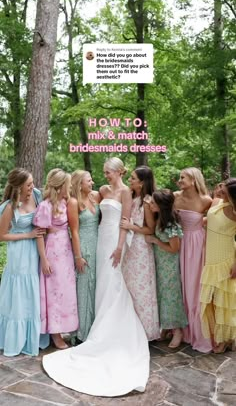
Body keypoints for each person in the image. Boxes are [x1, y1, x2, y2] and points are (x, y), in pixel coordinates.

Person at [42, 157, 150, 397]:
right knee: (99, 283)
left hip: (114, 240)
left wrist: (121, 247)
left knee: (114, 282)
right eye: (103, 172)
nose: (105, 176)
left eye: (108, 172)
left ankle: (111, 327)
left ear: (119, 171)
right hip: (99, 239)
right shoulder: (101, 191)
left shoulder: (125, 192)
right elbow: (84, 211)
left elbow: (125, 222)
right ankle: (92, 325)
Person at [0, 168, 49, 356]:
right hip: (18, 254)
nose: (33, 186)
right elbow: (2, 235)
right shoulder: (9, 206)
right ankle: (15, 339)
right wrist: (27, 234)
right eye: (29, 184)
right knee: (19, 294)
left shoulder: (37, 196)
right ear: (19, 186)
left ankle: (31, 338)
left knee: (32, 292)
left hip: (33, 252)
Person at [33, 168, 79, 349]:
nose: (69, 187)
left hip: (65, 250)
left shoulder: (65, 203)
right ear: (59, 187)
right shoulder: (45, 206)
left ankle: (65, 327)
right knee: (53, 291)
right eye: (67, 185)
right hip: (52, 250)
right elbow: (39, 234)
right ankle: (55, 333)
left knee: (65, 290)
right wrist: (44, 260)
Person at [174, 167, 212, 352]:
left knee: (195, 285)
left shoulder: (206, 200)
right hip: (180, 242)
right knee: (181, 283)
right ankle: (181, 327)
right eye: (180, 177)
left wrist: (199, 222)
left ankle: (198, 329)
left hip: (197, 245)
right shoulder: (176, 197)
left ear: (194, 180)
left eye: (183, 177)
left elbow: (215, 219)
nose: (179, 180)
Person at [121, 166, 160, 340]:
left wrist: (131, 227)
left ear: (142, 182)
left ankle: (145, 330)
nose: (130, 180)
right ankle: (131, 327)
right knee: (130, 287)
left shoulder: (147, 201)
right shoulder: (132, 197)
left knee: (141, 289)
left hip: (141, 249)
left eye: (133, 178)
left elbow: (150, 229)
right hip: (129, 249)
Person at [146, 190, 188, 349]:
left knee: (171, 297)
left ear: (161, 206)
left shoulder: (171, 224)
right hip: (160, 264)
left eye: (153, 203)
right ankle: (166, 327)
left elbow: (174, 249)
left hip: (169, 266)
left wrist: (155, 241)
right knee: (162, 296)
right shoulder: (159, 220)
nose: (150, 205)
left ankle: (177, 330)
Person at [200, 179, 236, 353]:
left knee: (224, 301)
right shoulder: (217, 202)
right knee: (212, 300)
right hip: (210, 257)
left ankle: (226, 339)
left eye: (224, 188)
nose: (220, 188)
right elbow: (210, 219)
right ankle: (221, 336)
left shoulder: (234, 210)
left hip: (226, 257)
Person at [70, 170, 100, 342]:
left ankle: (94, 327)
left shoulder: (93, 198)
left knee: (95, 287)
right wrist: (78, 256)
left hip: (98, 246)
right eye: (89, 180)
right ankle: (82, 332)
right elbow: (74, 231)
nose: (92, 182)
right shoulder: (74, 202)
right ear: (79, 183)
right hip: (84, 247)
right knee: (83, 289)